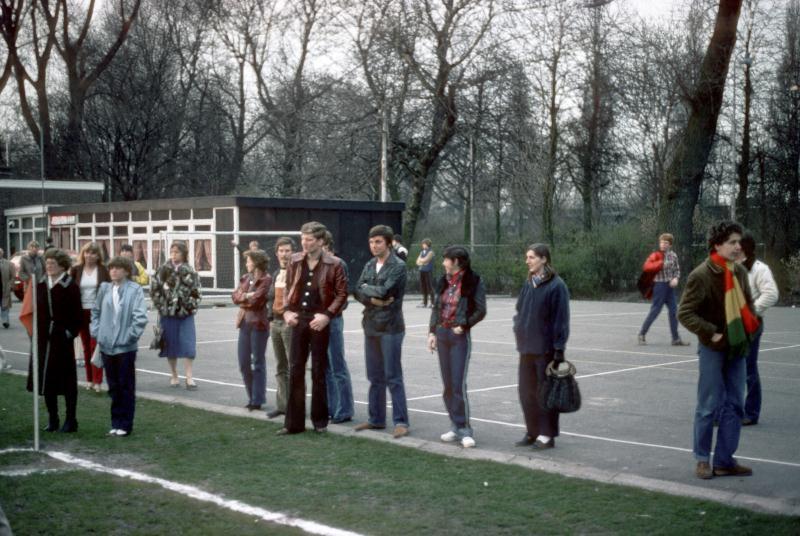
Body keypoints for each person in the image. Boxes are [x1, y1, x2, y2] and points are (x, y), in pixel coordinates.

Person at [678, 221, 759, 479]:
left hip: (737, 347)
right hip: (712, 348)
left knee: (735, 405)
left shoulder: (740, 272)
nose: (738, 247)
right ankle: (702, 460)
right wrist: (711, 332)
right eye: (732, 242)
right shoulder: (701, 275)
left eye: (739, 242)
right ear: (717, 245)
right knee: (708, 405)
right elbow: (684, 313)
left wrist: (750, 330)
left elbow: (748, 306)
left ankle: (724, 461)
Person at [276, 222, 347, 435]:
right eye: (302, 239)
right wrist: (286, 311)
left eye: (309, 239)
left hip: (319, 320)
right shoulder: (295, 260)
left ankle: (320, 422)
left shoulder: (335, 264)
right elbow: (287, 288)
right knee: (295, 369)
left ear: (320, 241)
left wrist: (327, 315)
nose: (304, 243)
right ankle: (293, 424)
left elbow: (342, 294)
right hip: (299, 319)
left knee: (318, 371)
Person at [353, 225, 410, 439]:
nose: (374, 246)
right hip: (371, 325)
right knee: (374, 376)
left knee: (393, 376)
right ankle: (376, 419)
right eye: (371, 242)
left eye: (378, 242)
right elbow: (357, 290)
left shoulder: (398, 266)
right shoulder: (369, 264)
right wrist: (373, 299)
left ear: (388, 243)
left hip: (391, 327)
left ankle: (401, 422)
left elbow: (386, 291)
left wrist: (369, 291)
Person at [427, 246, 486, 448]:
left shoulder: (473, 280)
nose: (443, 263)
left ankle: (465, 429)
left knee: (458, 384)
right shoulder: (442, 280)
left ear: (456, 261)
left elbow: (481, 310)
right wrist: (432, 333)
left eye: (446, 259)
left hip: (458, 336)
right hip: (442, 334)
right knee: (448, 386)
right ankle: (455, 425)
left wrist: (465, 325)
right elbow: (436, 308)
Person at [513, 243, 570, 450]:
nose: (527, 261)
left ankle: (547, 435)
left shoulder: (557, 285)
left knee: (545, 394)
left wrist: (559, 348)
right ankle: (533, 431)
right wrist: (518, 328)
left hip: (545, 350)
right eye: (527, 257)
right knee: (526, 392)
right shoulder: (529, 282)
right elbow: (519, 310)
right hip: (526, 348)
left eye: (531, 257)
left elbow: (561, 319)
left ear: (544, 259)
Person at [26, 248, 83, 433]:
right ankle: (53, 419)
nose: (49, 266)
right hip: (43, 339)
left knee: (66, 381)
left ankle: (71, 420)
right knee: (46, 379)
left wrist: (68, 333)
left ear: (62, 266)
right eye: (47, 263)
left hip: (61, 341)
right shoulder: (41, 284)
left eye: (52, 263)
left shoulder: (70, 285)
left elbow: (77, 316)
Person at [91, 256, 148, 437]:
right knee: (113, 386)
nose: (113, 271)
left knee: (126, 385)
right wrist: (98, 333)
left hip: (125, 347)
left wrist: (129, 337)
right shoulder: (105, 288)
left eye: (118, 268)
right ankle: (115, 422)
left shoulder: (135, 290)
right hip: (107, 346)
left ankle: (126, 424)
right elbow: (96, 312)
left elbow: (140, 317)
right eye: (111, 268)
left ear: (126, 271)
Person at [737, 233, 778, 426]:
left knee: (748, 369)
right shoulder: (729, 266)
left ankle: (751, 413)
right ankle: (724, 411)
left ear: (744, 247)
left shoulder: (759, 269)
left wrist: (750, 312)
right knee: (726, 369)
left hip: (750, 325)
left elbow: (771, 294)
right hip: (731, 325)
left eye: (736, 243)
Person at [151, 241, 202, 389]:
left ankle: (189, 377)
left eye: (177, 252)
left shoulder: (191, 271)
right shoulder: (162, 270)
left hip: (185, 315)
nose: (173, 255)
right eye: (172, 252)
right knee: (170, 344)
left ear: (184, 254)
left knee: (188, 344)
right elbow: (154, 290)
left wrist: (189, 306)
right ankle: (174, 375)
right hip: (167, 314)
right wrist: (162, 305)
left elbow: (197, 292)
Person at [232, 249, 272, 411]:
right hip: (244, 323)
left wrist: (244, 297)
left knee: (258, 362)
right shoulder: (245, 278)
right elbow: (235, 296)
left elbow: (257, 301)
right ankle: (251, 396)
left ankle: (257, 399)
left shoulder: (266, 279)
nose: (246, 263)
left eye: (248, 260)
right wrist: (246, 296)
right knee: (243, 362)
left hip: (259, 324)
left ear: (256, 262)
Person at [322, 231, 354, 424]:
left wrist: (328, 313)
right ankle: (332, 407)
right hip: (318, 321)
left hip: (333, 320)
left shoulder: (338, 264)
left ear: (326, 245)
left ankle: (345, 409)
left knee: (337, 366)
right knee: (325, 366)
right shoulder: (317, 265)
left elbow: (343, 298)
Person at [71, 242, 111, 392]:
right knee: (86, 347)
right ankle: (89, 379)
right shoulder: (76, 270)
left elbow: (109, 291)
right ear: (83, 254)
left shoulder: (103, 270)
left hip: (97, 313)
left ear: (98, 255)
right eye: (87, 252)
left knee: (96, 346)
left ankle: (97, 380)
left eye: (93, 253)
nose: (90, 255)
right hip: (81, 312)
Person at [638, 233, 689, 346]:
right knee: (655, 311)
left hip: (670, 287)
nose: (663, 245)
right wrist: (660, 264)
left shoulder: (673, 255)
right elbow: (646, 267)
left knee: (674, 312)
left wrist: (676, 278)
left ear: (670, 244)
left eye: (666, 243)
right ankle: (642, 334)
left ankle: (675, 339)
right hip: (659, 286)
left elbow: (677, 270)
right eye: (661, 242)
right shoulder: (655, 255)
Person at [266, 237, 295, 419]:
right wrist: (270, 317)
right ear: (277, 253)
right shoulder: (276, 273)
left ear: (293, 253)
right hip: (275, 323)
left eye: (287, 251)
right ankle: (282, 406)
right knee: (280, 366)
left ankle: (295, 407)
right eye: (281, 251)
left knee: (293, 366)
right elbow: (270, 298)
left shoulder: (297, 273)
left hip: (289, 324)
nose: (284, 254)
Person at [415, 239, 435, 308]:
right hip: (421, 270)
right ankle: (424, 303)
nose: (422, 245)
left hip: (428, 271)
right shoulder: (421, 252)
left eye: (424, 244)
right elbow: (417, 262)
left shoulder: (431, 252)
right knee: (423, 287)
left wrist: (422, 261)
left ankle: (433, 303)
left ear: (427, 244)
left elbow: (426, 259)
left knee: (430, 287)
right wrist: (423, 262)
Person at [0, 248, 16, 328]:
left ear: (2, 253)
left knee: (5, 305)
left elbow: (13, 276)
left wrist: (10, 285)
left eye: (0, 252)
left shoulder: (9, 264)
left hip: (5, 287)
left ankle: (5, 321)